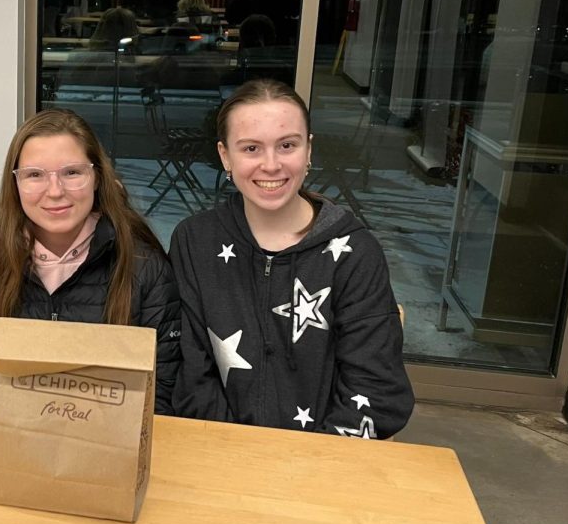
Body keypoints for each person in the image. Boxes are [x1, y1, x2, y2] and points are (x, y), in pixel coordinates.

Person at [169, 79, 413, 437]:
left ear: (309, 149)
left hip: (325, 464)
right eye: (251, 148)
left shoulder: (354, 253)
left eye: (287, 145)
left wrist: (308, 464)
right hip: (219, 457)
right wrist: (233, 452)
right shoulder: (195, 241)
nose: (271, 165)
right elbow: (188, 372)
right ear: (225, 156)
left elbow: (377, 390)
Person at [0, 109, 181, 414]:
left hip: (105, 451)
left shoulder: (145, 266)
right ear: (15, 183)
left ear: (97, 178)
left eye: (72, 172)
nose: (55, 191)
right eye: (34, 175)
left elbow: (162, 391)